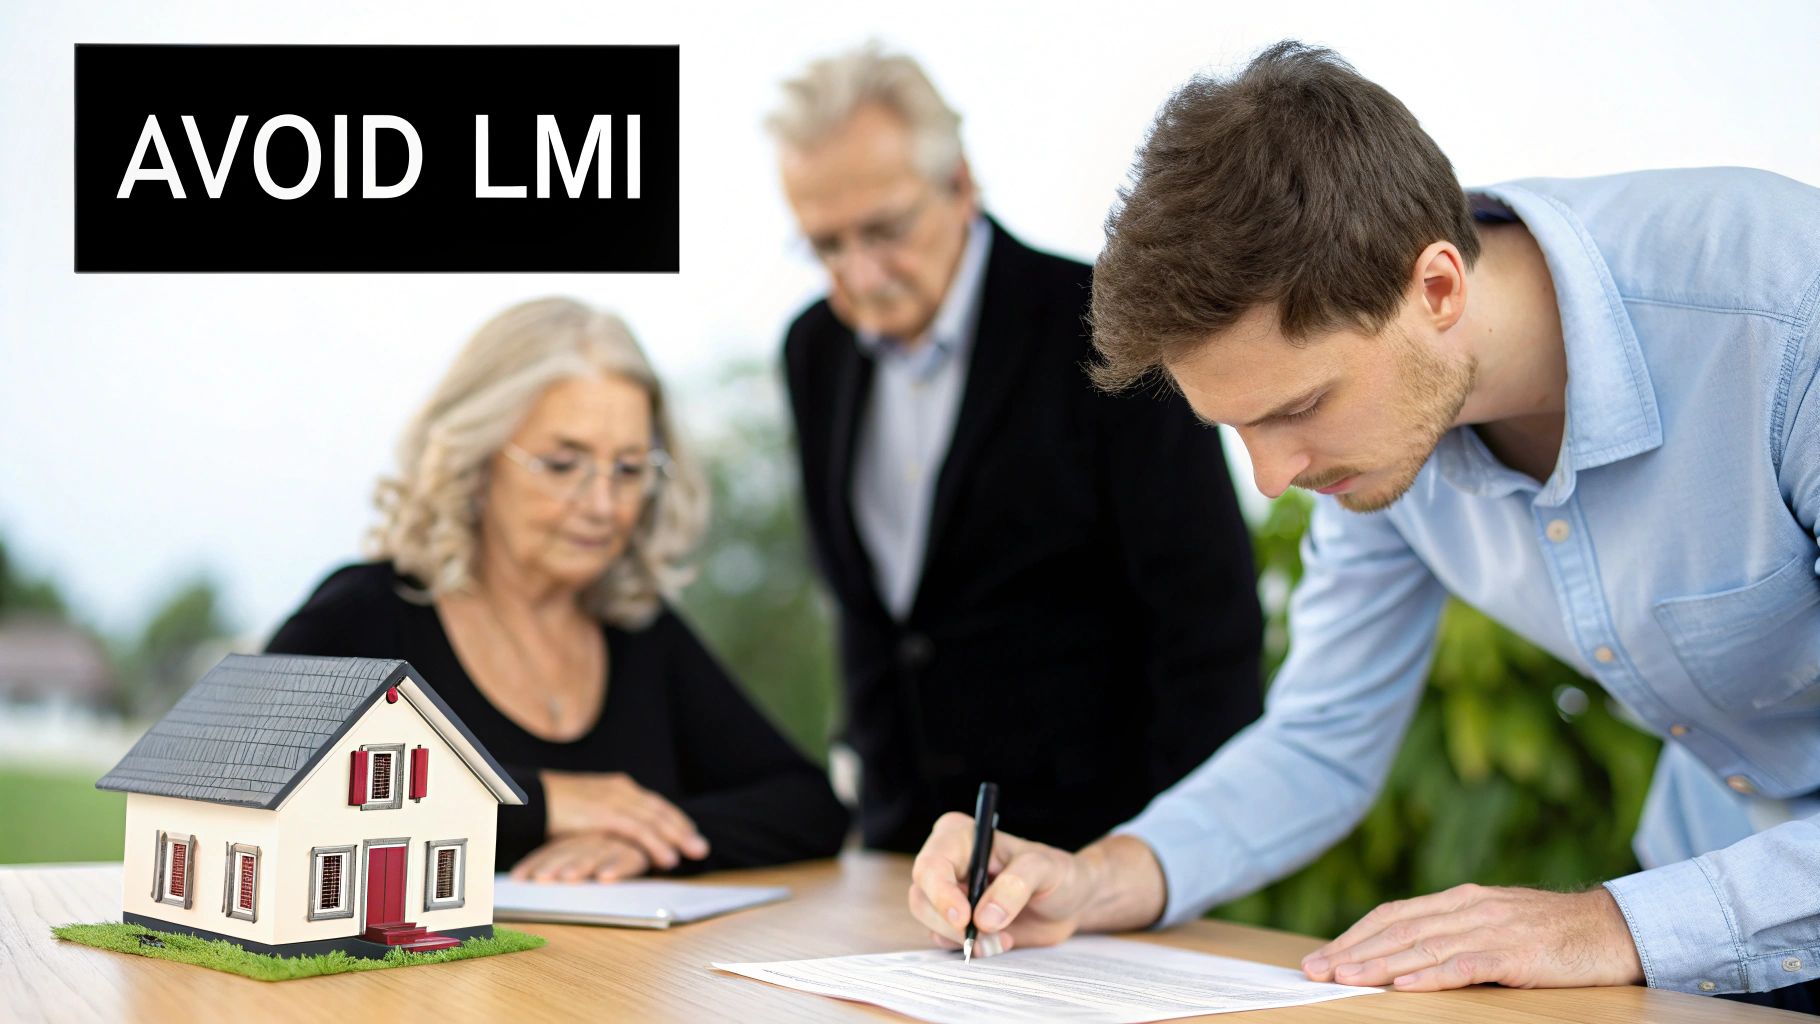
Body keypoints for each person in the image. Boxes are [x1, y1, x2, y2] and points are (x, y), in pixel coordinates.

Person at [906, 41, 1820, 1011]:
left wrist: (1604, 921)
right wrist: (1095, 878)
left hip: (1696, 921)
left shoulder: (1782, 315)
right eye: (1237, 430)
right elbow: (1322, 737)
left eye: (1295, 408)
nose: (1273, 478)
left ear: (1434, 289)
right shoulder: (1389, 432)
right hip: (1706, 943)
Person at [766, 44, 1264, 855]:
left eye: (884, 230)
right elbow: (874, 619)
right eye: (826, 244)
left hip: (1098, 854)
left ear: (960, 184)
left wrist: (1173, 859)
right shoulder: (812, 350)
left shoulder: (1104, 324)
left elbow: (1207, 623)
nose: (860, 271)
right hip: (903, 852)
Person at [268, 297, 848, 882]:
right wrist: (542, 803)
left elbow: (809, 806)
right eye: (562, 464)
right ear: (475, 463)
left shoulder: (638, 632)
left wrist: (649, 842)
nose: (602, 506)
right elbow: (247, 790)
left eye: (627, 469)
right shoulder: (366, 614)